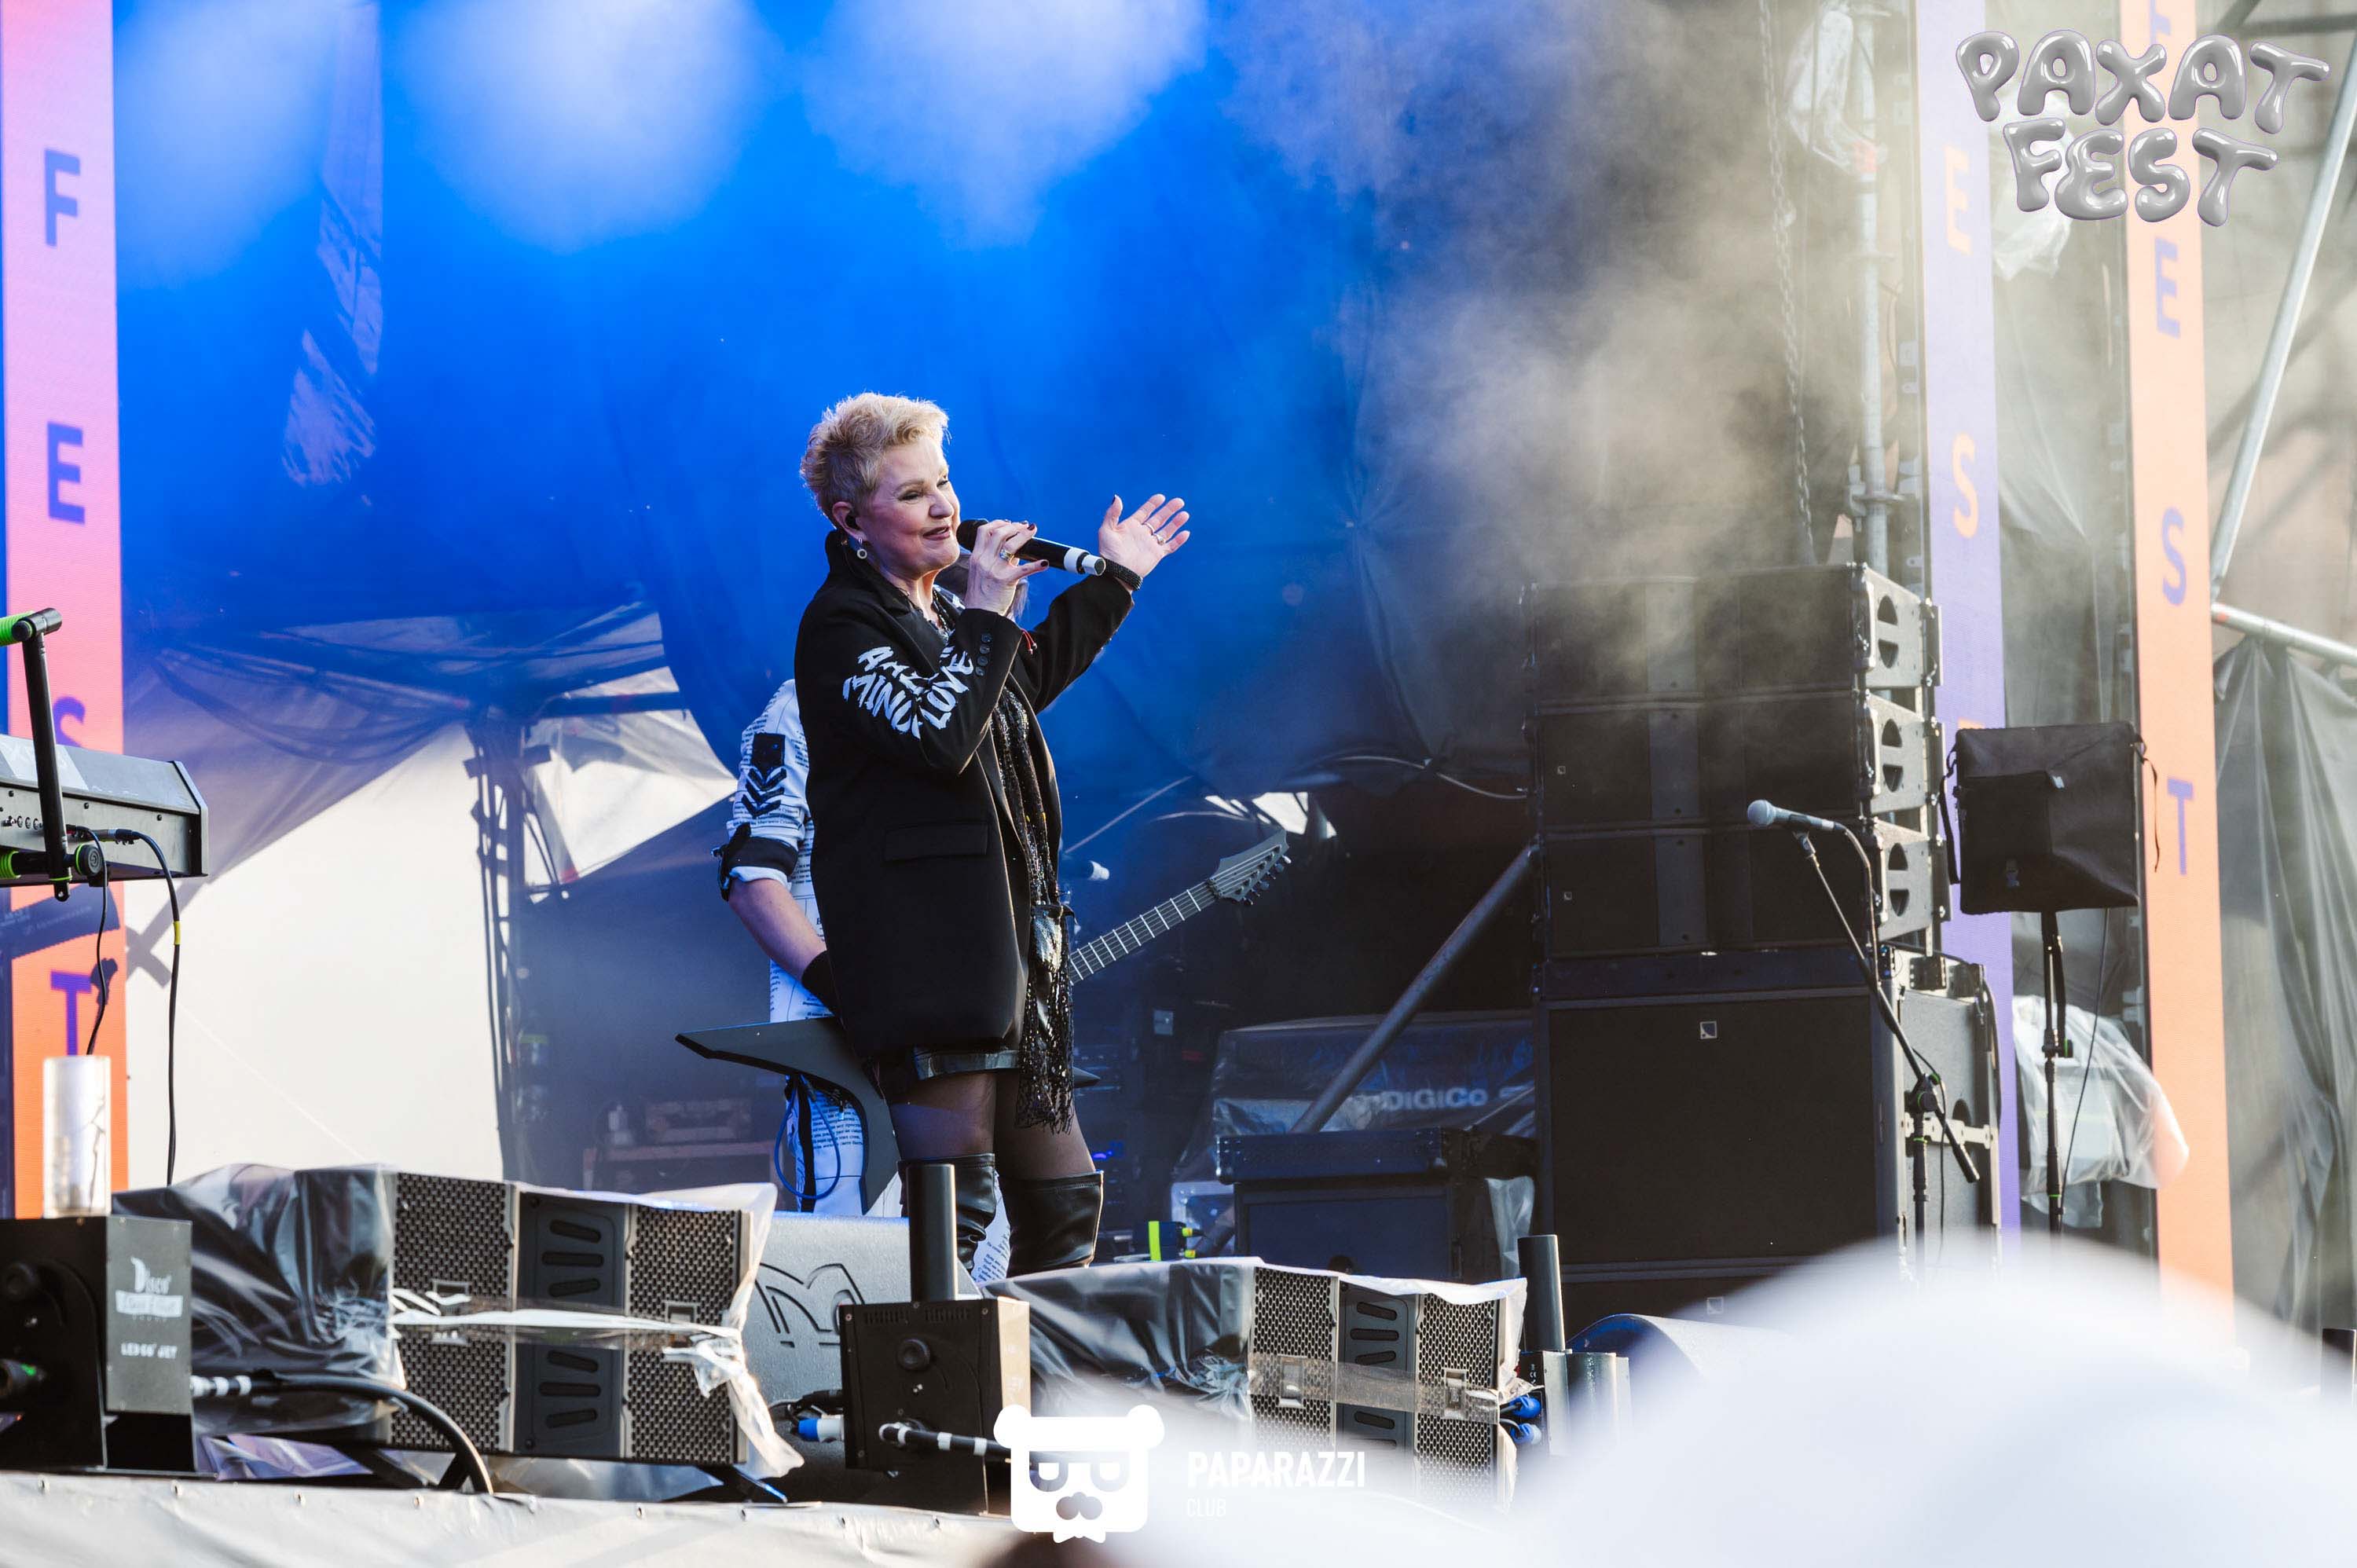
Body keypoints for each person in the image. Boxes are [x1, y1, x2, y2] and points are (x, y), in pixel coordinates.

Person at [791, 391, 1189, 1273]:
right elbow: (938, 736)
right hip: (931, 957)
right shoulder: (842, 626)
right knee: (955, 1218)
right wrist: (983, 611)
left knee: (1065, 1207)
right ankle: (926, 1359)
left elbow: (1015, 693)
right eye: (912, 494)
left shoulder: (940, 614)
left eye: (944, 483)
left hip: (1011, 959)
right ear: (851, 520)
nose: (944, 508)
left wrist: (1114, 581)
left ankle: (1040, 1360)